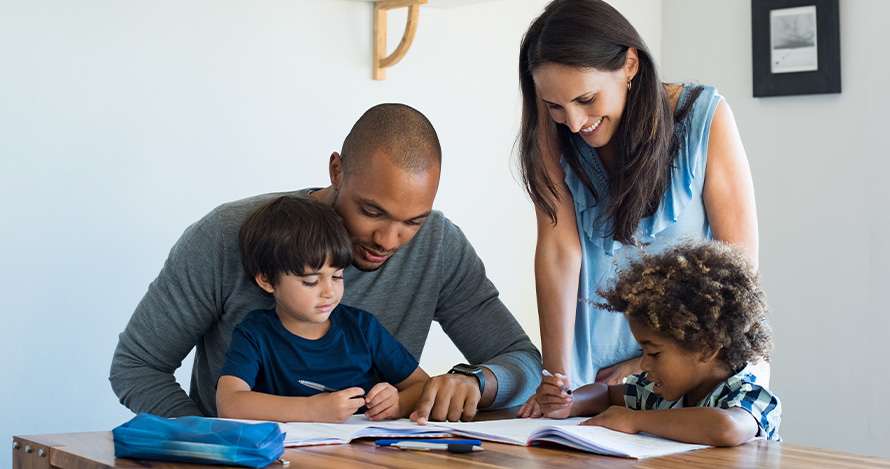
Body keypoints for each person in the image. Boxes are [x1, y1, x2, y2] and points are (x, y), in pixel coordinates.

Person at [110, 103, 541, 423]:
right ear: (337, 170)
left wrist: (477, 381)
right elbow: (137, 367)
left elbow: (521, 361)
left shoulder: (439, 245)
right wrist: (212, 442)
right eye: (372, 212)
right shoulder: (227, 235)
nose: (389, 241)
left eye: (412, 221)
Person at [515, 0, 762, 416]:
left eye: (586, 99)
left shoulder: (705, 118)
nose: (574, 123)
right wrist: (555, 380)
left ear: (630, 64)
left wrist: (645, 363)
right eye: (555, 106)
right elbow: (559, 253)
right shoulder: (552, 133)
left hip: (687, 372)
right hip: (588, 379)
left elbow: (737, 271)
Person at [536, 239, 781, 445]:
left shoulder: (749, 394)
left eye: (653, 353)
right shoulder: (660, 392)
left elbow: (725, 427)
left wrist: (633, 420)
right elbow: (606, 395)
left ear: (708, 346)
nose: (643, 365)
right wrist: (570, 403)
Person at [216, 196, 429, 423]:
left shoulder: (362, 328)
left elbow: (423, 385)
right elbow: (229, 403)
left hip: (362, 452)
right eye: (311, 281)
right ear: (267, 280)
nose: (329, 292)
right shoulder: (254, 334)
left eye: (337, 276)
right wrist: (312, 409)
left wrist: (397, 404)